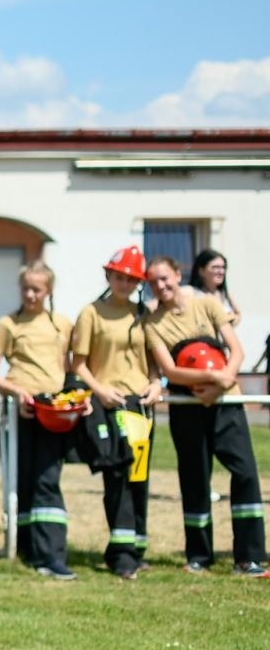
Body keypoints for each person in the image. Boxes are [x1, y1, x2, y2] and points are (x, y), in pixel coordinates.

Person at [143, 255, 267, 575]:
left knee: (245, 473)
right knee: (195, 479)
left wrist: (225, 380)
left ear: (177, 274)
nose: (162, 285)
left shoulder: (208, 304)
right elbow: (170, 370)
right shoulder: (152, 324)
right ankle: (199, 556)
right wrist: (213, 381)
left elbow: (236, 349)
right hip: (188, 409)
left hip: (227, 404)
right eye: (154, 282)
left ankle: (249, 557)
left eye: (165, 278)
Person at [0, 260, 78, 579]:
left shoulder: (62, 324)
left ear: (48, 290)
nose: (30, 294)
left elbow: (69, 367)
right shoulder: (8, 324)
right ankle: (27, 549)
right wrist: (16, 392)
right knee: (22, 479)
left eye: (37, 289)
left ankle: (51, 554)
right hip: (21, 410)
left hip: (54, 411)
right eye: (25, 288)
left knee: (47, 479)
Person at [70, 247, 162, 580]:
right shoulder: (91, 313)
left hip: (141, 406)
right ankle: (121, 556)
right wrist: (99, 390)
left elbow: (152, 360)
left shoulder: (143, 314)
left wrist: (155, 384)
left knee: (139, 478)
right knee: (118, 479)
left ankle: (136, 549)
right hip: (110, 405)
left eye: (131, 279)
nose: (124, 283)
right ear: (108, 276)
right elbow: (77, 363)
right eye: (119, 277)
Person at [188, 248, 240, 326]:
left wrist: (230, 320)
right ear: (201, 271)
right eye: (215, 267)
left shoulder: (225, 295)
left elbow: (238, 315)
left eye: (223, 267)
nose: (221, 271)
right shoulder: (192, 293)